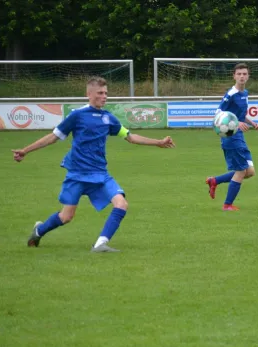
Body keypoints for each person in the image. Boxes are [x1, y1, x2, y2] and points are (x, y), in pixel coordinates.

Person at [12, 76, 175, 252]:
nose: (104, 96)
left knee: (121, 204)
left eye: (106, 93)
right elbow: (53, 137)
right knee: (66, 217)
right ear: (89, 94)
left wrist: (158, 142)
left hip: (100, 174)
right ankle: (39, 230)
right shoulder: (77, 115)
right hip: (77, 174)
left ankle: (100, 244)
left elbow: (131, 137)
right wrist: (25, 150)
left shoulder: (108, 118)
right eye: (100, 93)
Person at [205, 63, 258, 211]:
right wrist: (237, 123)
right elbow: (218, 114)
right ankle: (227, 205)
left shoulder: (245, 93)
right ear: (234, 76)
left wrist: (252, 123)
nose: (242, 76)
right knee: (242, 171)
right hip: (231, 137)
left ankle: (214, 180)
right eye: (239, 74)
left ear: (248, 76)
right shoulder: (230, 94)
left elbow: (241, 115)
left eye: (244, 74)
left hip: (240, 136)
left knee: (250, 172)